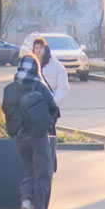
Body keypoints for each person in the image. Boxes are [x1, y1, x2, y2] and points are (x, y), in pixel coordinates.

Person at [2, 54, 58, 209]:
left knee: (29, 169)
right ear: (36, 68)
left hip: (19, 137)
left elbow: (5, 109)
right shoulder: (38, 86)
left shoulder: (9, 88)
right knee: (43, 173)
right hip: (38, 136)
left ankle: (26, 200)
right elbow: (53, 106)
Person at [33, 37, 68, 172]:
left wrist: (52, 102)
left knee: (50, 135)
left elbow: (63, 88)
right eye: (36, 48)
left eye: (40, 48)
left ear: (45, 49)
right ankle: (39, 166)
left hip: (49, 108)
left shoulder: (56, 66)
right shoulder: (32, 65)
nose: (38, 51)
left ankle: (51, 165)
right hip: (34, 108)